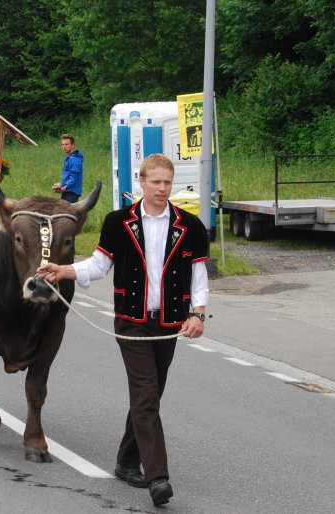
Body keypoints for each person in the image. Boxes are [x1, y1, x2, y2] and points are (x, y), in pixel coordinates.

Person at [36, 153, 209, 508]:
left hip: (169, 322)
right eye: (156, 182)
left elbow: (199, 277)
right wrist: (63, 271)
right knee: (146, 393)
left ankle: (127, 461)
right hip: (131, 319)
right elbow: (99, 265)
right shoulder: (119, 222)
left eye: (167, 182)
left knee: (151, 395)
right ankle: (157, 476)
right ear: (142, 183)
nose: (162, 188)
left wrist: (199, 314)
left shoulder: (191, 227)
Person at [52, 134, 84, 203]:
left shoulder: (74, 159)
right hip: (68, 191)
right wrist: (61, 184)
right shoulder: (69, 158)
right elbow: (69, 177)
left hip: (71, 193)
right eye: (63, 144)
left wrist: (64, 187)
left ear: (73, 145)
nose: (64, 146)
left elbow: (74, 178)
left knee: (65, 212)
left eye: (66, 144)